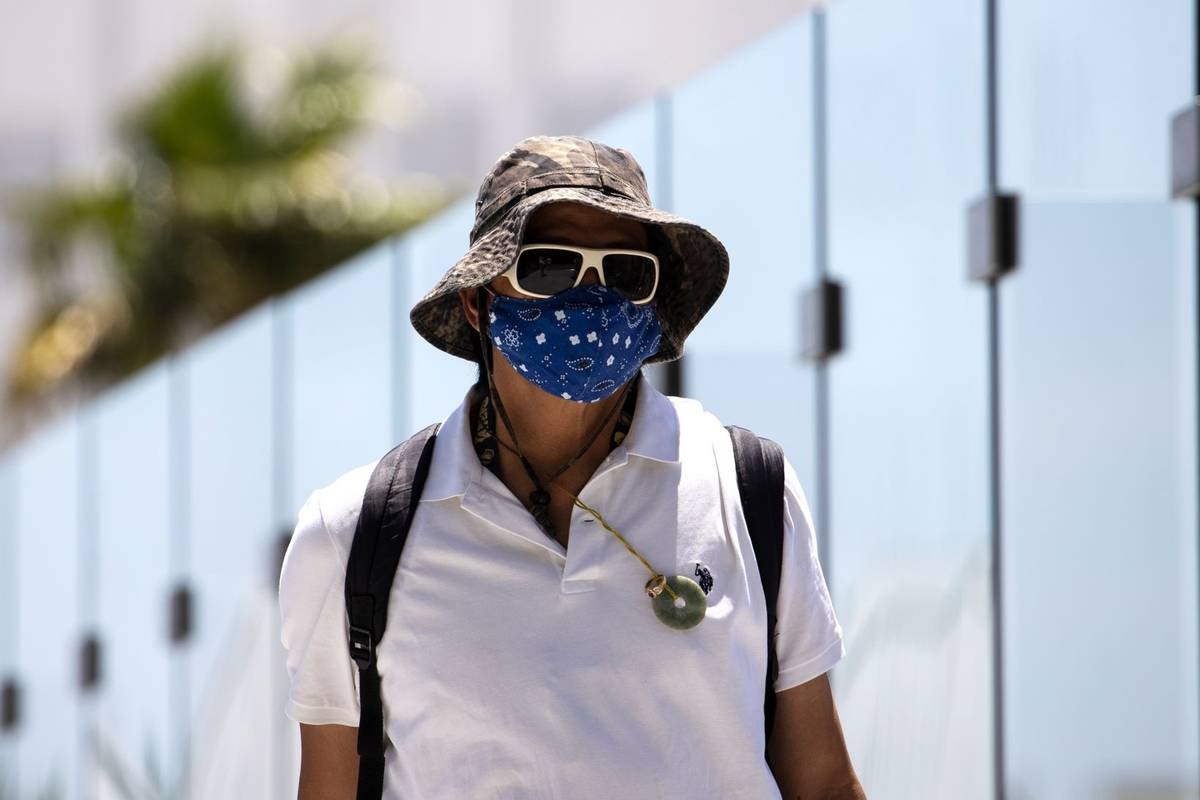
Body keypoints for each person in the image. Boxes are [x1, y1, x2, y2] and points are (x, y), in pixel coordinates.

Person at [278, 134, 866, 799]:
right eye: (550, 267)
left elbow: (821, 783)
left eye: (624, 274)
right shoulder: (351, 534)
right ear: (479, 301)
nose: (590, 297)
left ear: (652, 302)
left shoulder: (748, 487)